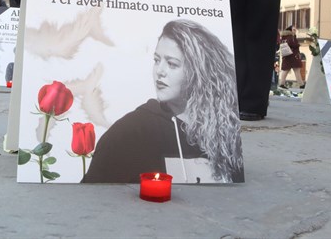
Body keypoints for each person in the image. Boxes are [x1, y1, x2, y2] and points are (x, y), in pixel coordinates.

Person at [82, 19, 243, 184]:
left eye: (172, 64)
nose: (159, 71)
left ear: (200, 72)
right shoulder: (130, 133)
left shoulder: (228, 130)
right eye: (157, 60)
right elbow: (92, 195)